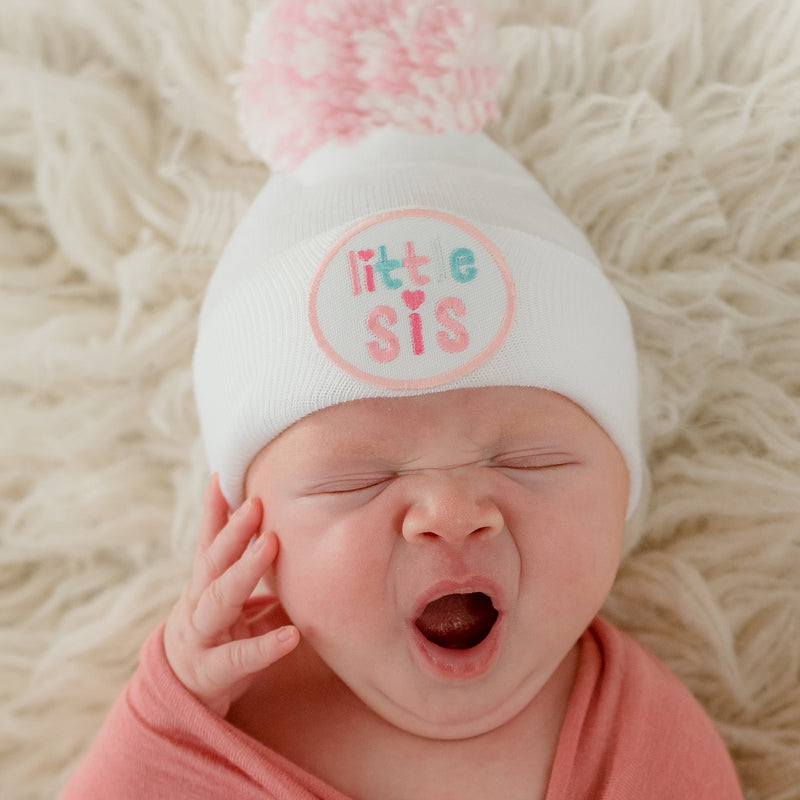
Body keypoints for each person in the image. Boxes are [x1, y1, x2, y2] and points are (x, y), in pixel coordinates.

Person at [60, 1, 744, 797]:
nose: (451, 511)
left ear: (625, 483)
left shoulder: (644, 742)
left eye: (529, 459)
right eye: (359, 478)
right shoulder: (220, 719)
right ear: (248, 529)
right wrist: (165, 715)